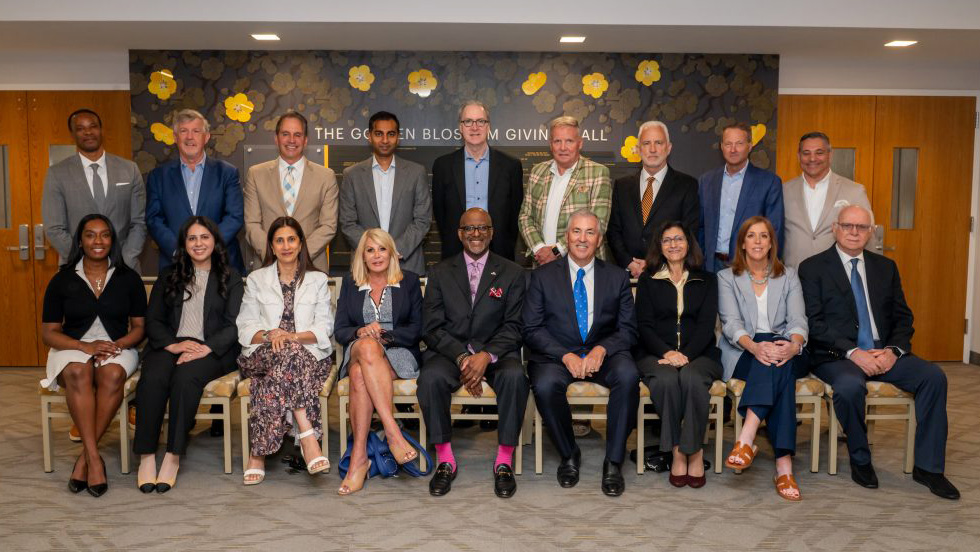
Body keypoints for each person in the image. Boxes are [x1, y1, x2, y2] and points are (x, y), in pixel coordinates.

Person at [799, 205, 959, 499]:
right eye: (848, 226)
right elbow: (814, 323)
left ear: (870, 232)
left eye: (861, 227)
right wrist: (852, 352)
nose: (854, 232)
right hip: (837, 355)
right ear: (835, 228)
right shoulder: (812, 268)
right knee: (848, 387)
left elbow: (903, 317)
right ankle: (860, 459)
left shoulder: (886, 267)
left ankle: (929, 468)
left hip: (882, 351)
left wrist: (893, 351)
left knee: (933, 377)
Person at [523, 209, 639, 497]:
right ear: (566, 236)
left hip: (604, 353)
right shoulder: (541, 277)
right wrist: (565, 355)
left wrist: (602, 348)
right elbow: (532, 328)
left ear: (599, 240)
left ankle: (613, 461)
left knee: (628, 375)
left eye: (590, 232)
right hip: (557, 354)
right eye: (577, 231)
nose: (583, 238)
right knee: (546, 384)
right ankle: (568, 453)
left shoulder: (617, 277)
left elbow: (628, 330)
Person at [417, 208, 529, 498]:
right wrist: (463, 358)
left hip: (496, 352)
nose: (476, 234)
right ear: (459, 234)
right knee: (430, 379)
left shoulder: (513, 273)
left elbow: (515, 325)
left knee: (516, 376)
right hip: (450, 352)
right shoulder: (440, 272)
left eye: (482, 229)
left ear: (491, 233)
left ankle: (504, 460)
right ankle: (445, 459)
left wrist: (485, 355)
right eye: (469, 229)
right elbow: (431, 327)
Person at [133, 216, 244, 493]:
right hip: (171, 344)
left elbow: (235, 324)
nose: (198, 243)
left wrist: (206, 348)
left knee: (185, 378)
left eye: (204, 237)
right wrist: (173, 345)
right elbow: (154, 319)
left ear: (215, 241)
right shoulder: (168, 275)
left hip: (213, 349)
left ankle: (172, 455)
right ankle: (146, 456)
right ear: (184, 243)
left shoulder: (230, 277)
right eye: (192, 238)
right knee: (154, 375)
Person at [40, 214, 147, 497]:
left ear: (113, 240)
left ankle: (84, 459)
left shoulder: (129, 279)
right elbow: (49, 333)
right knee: (79, 371)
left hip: (118, 346)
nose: (97, 241)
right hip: (71, 345)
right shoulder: (62, 280)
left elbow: (139, 328)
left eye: (104, 235)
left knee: (111, 374)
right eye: (90, 235)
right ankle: (94, 459)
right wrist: (84, 347)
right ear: (80, 241)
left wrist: (117, 345)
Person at [717, 216, 808, 501]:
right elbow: (730, 323)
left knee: (778, 360)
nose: (757, 241)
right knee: (775, 366)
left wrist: (794, 345)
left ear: (771, 243)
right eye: (751, 236)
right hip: (743, 349)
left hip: (784, 348)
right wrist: (756, 347)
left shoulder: (789, 275)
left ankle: (746, 438)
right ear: (742, 243)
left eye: (764, 236)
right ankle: (783, 466)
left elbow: (797, 319)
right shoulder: (726, 277)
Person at [236, 217, 332, 486]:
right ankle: (308, 434)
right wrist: (271, 334)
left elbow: (324, 327)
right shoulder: (256, 279)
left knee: (279, 367)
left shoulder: (317, 280)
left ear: (301, 243)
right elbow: (244, 326)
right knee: (286, 356)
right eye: (280, 240)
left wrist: (291, 336)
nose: (286, 245)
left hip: (307, 355)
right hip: (261, 353)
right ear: (272, 245)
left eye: (291, 239)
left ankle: (257, 454)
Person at [334, 228, 424, 495]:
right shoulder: (351, 283)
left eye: (382, 249)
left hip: (398, 351)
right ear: (362, 255)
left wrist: (386, 336)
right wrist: (360, 332)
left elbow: (418, 328)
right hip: (359, 349)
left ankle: (358, 459)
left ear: (391, 252)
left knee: (361, 374)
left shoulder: (408, 281)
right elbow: (340, 330)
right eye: (370, 250)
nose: (376, 255)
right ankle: (392, 431)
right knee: (366, 347)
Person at [634, 221, 720, 488]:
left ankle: (693, 451)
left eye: (679, 239)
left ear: (689, 243)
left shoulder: (707, 279)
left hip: (700, 353)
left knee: (693, 379)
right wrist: (667, 352)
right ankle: (676, 451)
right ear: (659, 247)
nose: (673, 245)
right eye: (667, 240)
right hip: (655, 352)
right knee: (666, 380)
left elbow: (707, 326)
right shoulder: (648, 279)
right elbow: (643, 325)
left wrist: (686, 355)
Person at [41, 108, 146, 270]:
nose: (88, 132)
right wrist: (85, 261)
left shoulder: (129, 169)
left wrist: (124, 259)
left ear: (101, 130)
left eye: (93, 126)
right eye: (80, 129)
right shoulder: (57, 173)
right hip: (76, 268)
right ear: (72, 134)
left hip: (124, 267)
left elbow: (139, 223)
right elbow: (54, 228)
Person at [145, 109, 245, 272]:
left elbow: (234, 216)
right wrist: (179, 251)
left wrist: (208, 246)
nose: (189, 137)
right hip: (175, 265)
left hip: (221, 264)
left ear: (206, 137)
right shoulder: (158, 176)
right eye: (183, 131)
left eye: (196, 131)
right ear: (175, 138)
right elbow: (154, 220)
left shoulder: (227, 173)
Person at [339, 111, 432, 275]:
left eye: (390, 134)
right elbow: (348, 223)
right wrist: (374, 252)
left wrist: (393, 251)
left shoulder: (416, 173)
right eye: (378, 134)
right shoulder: (352, 174)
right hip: (365, 266)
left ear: (398, 137)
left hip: (406, 264)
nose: (384, 140)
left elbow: (422, 220)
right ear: (369, 136)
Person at [243, 111, 338, 272]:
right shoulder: (256, 174)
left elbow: (328, 226)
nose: (291, 140)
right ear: (276, 138)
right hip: (267, 267)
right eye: (285, 134)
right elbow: (252, 224)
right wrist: (274, 254)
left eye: (298, 135)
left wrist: (300, 255)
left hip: (311, 267)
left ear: (306, 140)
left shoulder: (326, 176)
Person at [431, 101, 524, 261]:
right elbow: (441, 214)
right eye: (468, 121)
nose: (475, 127)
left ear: (488, 126)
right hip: (456, 254)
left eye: (480, 121)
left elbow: (515, 213)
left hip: (500, 253)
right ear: (460, 127)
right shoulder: (443, 166)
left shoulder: (511, 166)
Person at [608, 121, 700, 278]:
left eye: (658, 142)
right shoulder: (622, 186)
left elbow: (689, 233)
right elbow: (614, 230)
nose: (652, 149)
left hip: (668, 275)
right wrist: (629, 262)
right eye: (646, 143)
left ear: (668, 148)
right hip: (628, 276)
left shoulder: (687, 185)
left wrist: (654, 264)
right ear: (638, 149)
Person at [518, 116, 612, 266]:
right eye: (557, 141)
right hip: (541, 263)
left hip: (582, 264)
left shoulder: (598, 173)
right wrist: (539, 248)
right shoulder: (538, 171)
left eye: (569, 141)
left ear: (579, 143)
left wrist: (556, 251)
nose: (563, 147)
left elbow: (598, 224)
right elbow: (525, 217)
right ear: (551, 144)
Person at [782, 131, 875, 268]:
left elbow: (868, 233)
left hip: (839, 276)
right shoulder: (783, 190)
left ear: (830, 155)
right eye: (806, 153)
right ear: (799, 156)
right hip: (794, 275)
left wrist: (871, 273)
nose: (812, 158)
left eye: (819, 152)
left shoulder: (854, 191)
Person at [699, 122, 783, 272]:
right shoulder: (707, 181)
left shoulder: (769, 182)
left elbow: (774, 230)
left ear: (750, 146)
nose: (733, 149)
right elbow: (700, 227)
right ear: (721, 146)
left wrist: (768, 268)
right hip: (711, 266)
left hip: (750, 266)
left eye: (739, 143)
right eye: (728, 144)